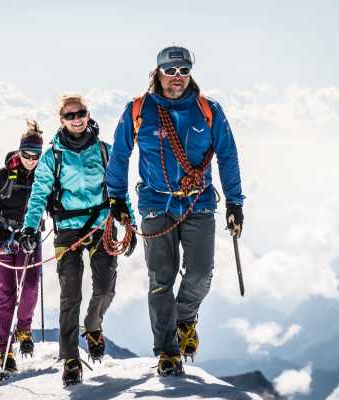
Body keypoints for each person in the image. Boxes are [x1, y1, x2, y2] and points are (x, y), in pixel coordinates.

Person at [106, 46, 245, 376]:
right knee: (160, 279)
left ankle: (184, 319)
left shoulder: (208, 110)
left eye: (183, 71)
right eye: (170, 71)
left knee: (200, 273)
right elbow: (120, 155)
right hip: (156, 204)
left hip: (199, 202)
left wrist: (235, 202)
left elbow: (227, 155)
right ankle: (167, 352)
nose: (177, 77)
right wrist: (116, 198)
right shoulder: (138, 110)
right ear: (158, 72)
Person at [18, 94, 136, 386]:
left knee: (106, 288)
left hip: (101, 226)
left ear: (87, 114)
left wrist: (129, 222)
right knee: (70, 295)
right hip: (67, 229)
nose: (76, 119)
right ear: (61, 120)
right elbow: (38, 195)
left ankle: (93, 326)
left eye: (80, 113)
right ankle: (70, 359)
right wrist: (29, 228)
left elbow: (119, 191)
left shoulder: (105, 151)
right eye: (70, 115)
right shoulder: (52, 157)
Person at [0, 120, 44, 373]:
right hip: (0, 239)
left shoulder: (44, 177)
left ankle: (24, 329)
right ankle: (4, 350)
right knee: (8, 295)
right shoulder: (2, 177)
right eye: (27, 154)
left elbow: (54, 203)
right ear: (19, 151)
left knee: (30, 287)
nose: (31, 160)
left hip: (29, 240)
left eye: (36, 156)